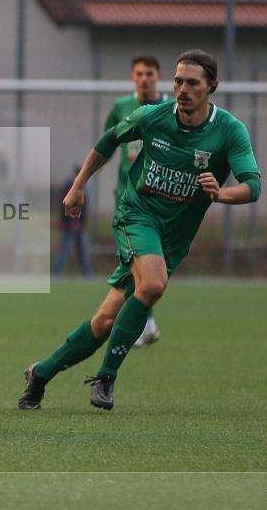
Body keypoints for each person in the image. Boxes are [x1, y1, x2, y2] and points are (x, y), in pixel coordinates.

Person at [18, 50, 261, 412]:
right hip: (137, 214)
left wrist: (220, 193)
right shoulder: (153, 116)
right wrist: (78, 186)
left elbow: (252, 186)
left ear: (211, 86)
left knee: (104, 322)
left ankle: (41, 373)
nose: (182, 88)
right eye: (178, 81)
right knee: (153, 284)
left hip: (174, 238)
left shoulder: (229, 130)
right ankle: (106, 377)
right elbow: (108, 141)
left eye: (192, 82)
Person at [104, 54, 168, 346]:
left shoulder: (171, 108)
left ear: (158, 76)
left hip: (160, 198)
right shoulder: (121, 107)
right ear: (132, 77)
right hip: (127, 197)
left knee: (148, 262)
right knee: (133, 260)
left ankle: (144, 321)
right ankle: (146, 323)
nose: (144, 79)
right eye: (139, 74)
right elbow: (107, 143)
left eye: (149, 74)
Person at [52, 166, 92, 277]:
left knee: (81, 252)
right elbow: (67, 203)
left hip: (77, 224)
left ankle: (88, 275)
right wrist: (72, 220)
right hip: (72, 225)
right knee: (66, 250)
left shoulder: (78, 185)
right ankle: (57, 274)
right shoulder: (72, 185)